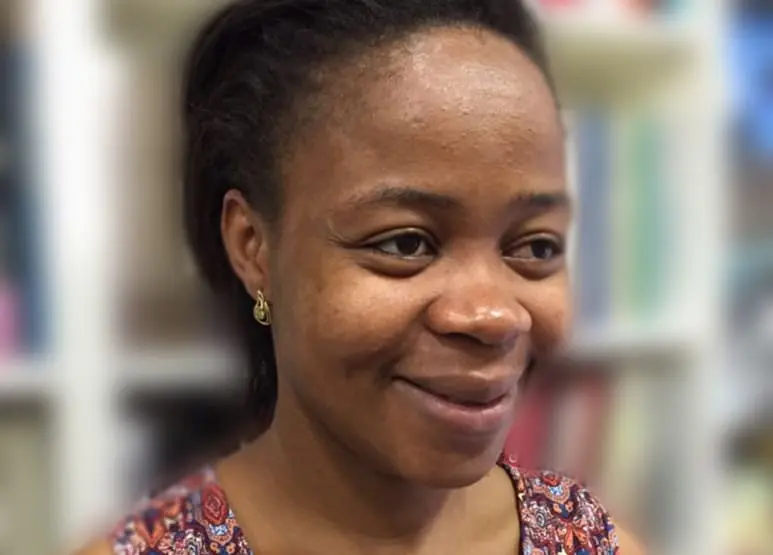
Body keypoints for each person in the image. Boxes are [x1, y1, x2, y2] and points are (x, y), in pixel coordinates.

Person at [77, 0, 644, 553]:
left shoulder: (588, 539)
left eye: (535, 246)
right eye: (406, 243)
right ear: (252, 246)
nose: (493, 316)